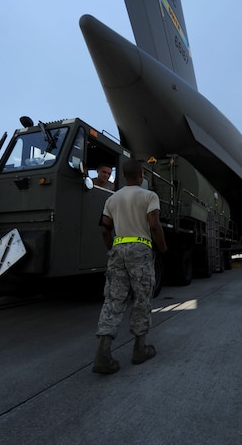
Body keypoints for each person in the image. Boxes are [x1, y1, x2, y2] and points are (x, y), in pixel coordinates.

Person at [92, 159, 168, 374]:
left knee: (114, 299)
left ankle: (103, 354)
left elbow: (105, 230)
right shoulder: (149, 196)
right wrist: (162, 249)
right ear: (141, 175)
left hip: (118, 250)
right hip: (140, 251)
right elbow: (154, 224)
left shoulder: (112, 199)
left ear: (124, 176)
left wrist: (112, 249)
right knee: (142, 300)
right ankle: (139, 349)